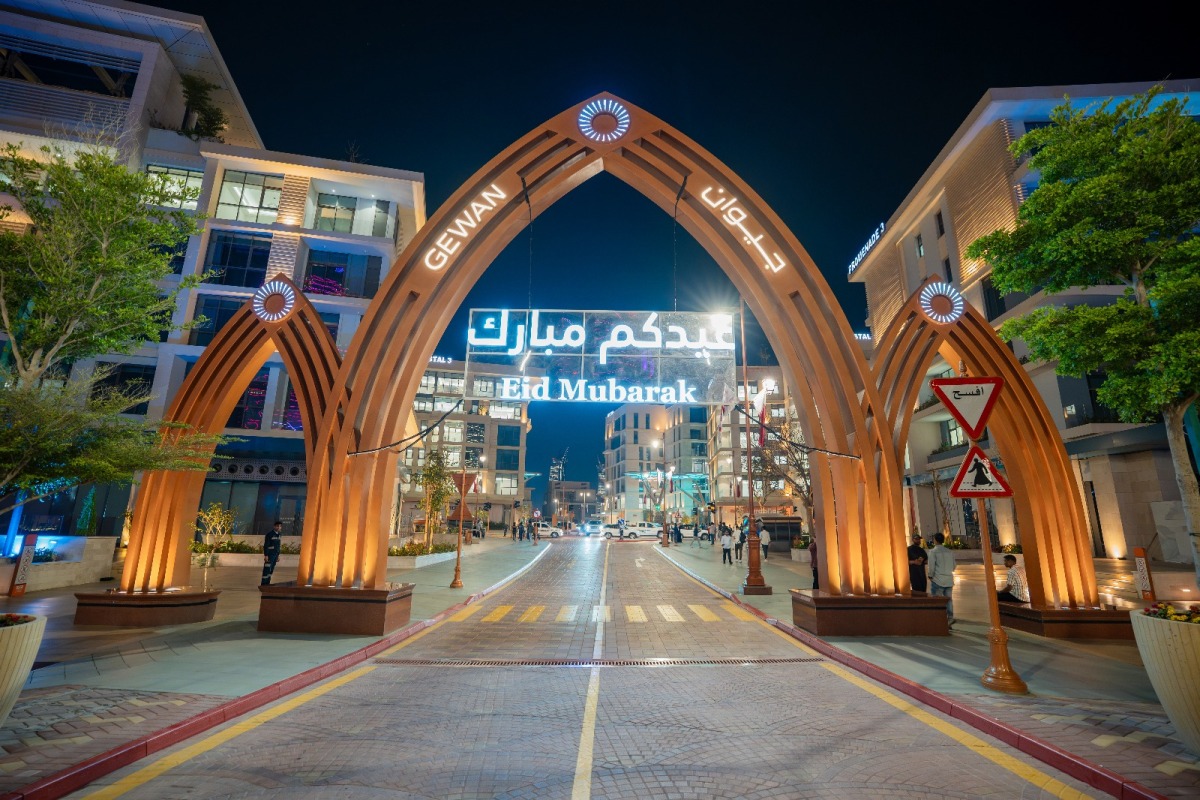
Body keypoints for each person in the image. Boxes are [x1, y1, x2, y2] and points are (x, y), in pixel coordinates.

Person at [928, 532, 957, 626]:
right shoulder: (949, 551)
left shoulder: (933, 552)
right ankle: (950, 618)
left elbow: (931, 566)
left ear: (935, 540)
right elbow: (954, 566)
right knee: (949, 599)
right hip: (948, 579)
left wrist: (930, 575)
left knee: (937, 600)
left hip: (938, 579)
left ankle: (939, 618)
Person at [261, 520, 282, 586]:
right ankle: (264, 584)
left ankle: (268, 583)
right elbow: (266, 545)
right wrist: (266, 555)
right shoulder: (269, 534)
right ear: (274, 526)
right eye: (277, 526)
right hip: (270, 554)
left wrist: (278, 555)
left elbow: (278, 546)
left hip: (275, 555)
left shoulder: (279, 535)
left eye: (280, 526)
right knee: (267, 569)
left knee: (271, 569)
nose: (278, 527)